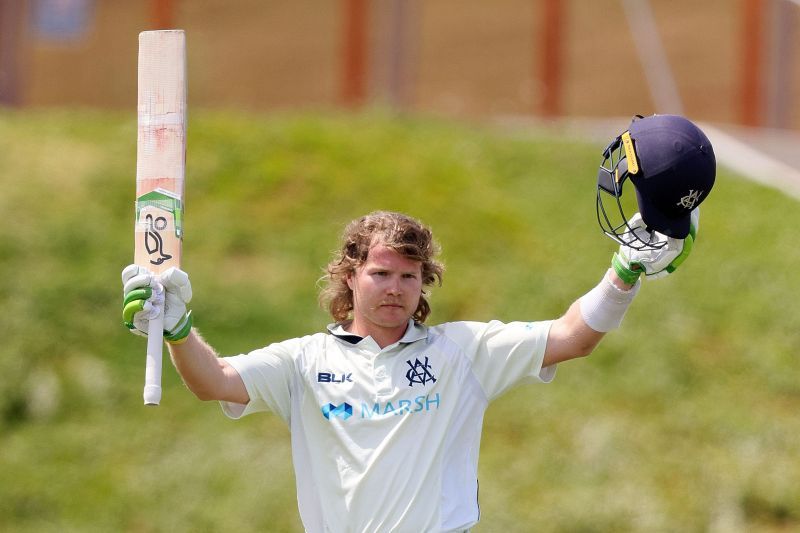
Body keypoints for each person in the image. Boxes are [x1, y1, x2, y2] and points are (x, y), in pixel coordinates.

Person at [121, 114, 715, 533]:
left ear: (423, 283)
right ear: (350, 276)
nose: (396, 289)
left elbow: (572, 337)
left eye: (410, 276)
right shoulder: (306, 362)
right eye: (381, 273)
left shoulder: (463, 352)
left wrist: (623, 274)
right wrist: (176, 328)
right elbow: (215, 381)